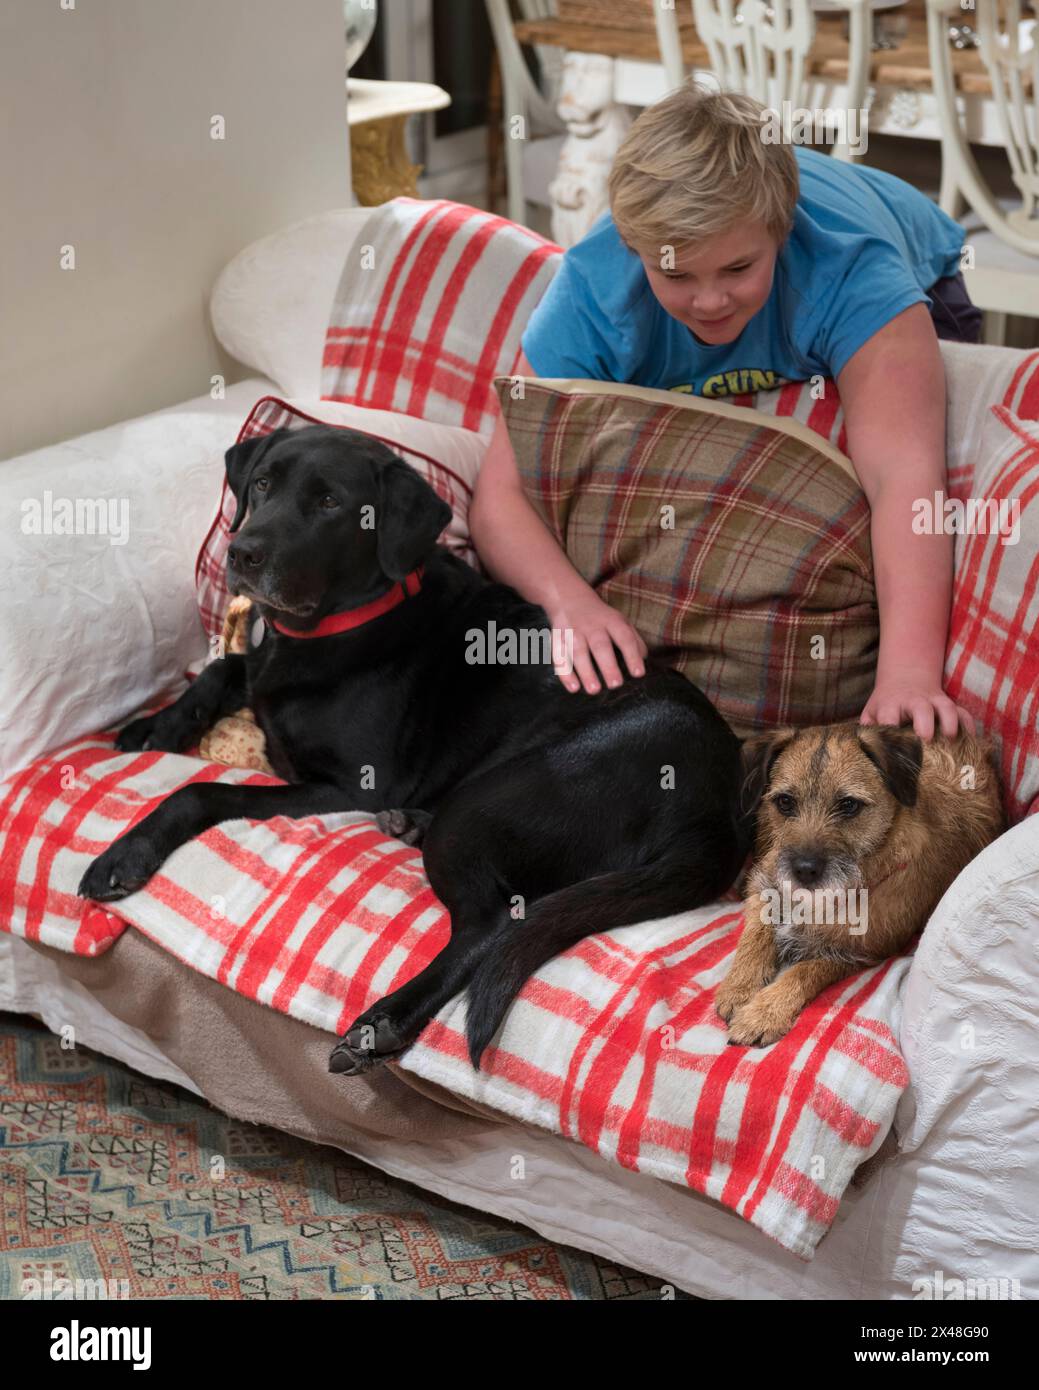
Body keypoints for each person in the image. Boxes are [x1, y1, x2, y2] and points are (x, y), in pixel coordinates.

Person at [469, 83, 982, 740]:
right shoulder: (593, 287)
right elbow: (500, 494)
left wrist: (907, 675)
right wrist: (569, 605)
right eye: (676, 274)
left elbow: (904, 481)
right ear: (633, 248)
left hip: (920, 263)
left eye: (738, 267)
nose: (709, 301)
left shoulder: (853, 273)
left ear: (780, 231)